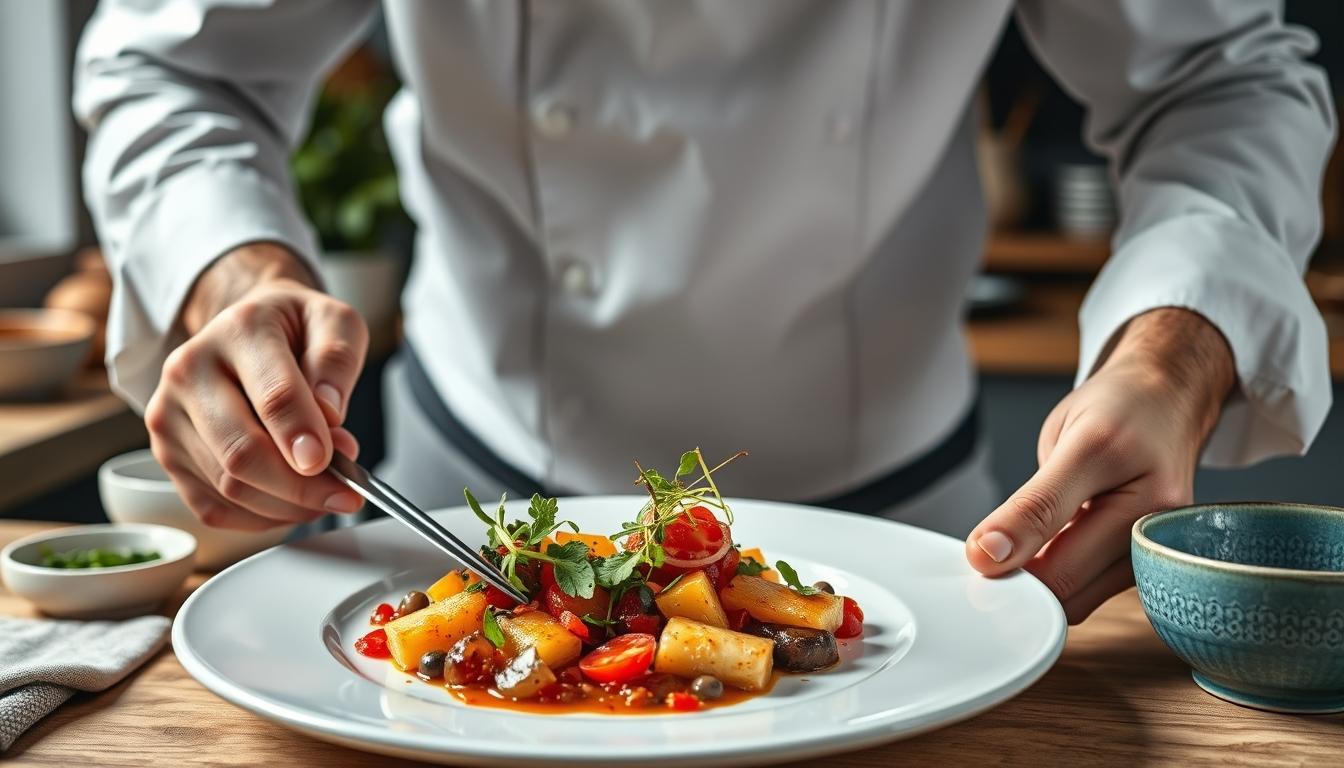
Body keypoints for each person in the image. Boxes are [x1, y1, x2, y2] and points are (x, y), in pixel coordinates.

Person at [75, 1, 1333, 624]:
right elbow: (175, 61)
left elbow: (1221, 78)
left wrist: (1174, 352)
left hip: (918, 545)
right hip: (455, 518)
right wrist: (233, 281)